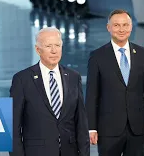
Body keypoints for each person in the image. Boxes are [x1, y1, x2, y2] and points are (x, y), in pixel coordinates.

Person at [85, 9, 144, 156]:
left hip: (137, 128)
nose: (122, 29)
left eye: (125, 25)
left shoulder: (143, 54)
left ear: (131, 27)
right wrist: (91, 128)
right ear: (109, 28)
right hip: (108, 129)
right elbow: (92, 95)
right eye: (117, 25)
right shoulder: (97, 56)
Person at [10, 27, 90, 156]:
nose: (54, 51)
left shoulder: (74, 77)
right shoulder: (22, 79)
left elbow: (81, 122)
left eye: (57, 45)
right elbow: (13, 126)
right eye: (48, 46)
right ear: (38, 50)